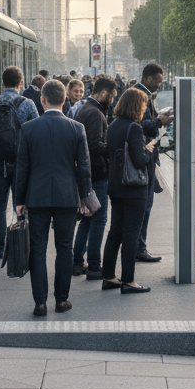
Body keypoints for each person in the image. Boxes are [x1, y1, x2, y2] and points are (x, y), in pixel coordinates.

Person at [14, 80, 91, 316]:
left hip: (36, 196)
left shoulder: (28, 128)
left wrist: (19, 199)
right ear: (65, 99)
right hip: (67, 196)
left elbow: (22, 168)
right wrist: (86, 198)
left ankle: (40, 302)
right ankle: (62, 300)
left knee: (37, 249)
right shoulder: (77, 128)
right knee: (64, 249)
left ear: (42, 100)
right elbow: (84, 167)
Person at [0, 65, 38, 259]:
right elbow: (36, 136)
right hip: (22, 164)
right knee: (21, 204)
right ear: (20, 83)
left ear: (2, 82)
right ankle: (21, 245)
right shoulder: (28, 104)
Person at [101, 87, 155, 293]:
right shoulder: (134, 128)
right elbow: (139, 160)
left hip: (116, 186)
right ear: (135, 105)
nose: (144, 108)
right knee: (131, 234)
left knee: (115, 231)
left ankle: (108, 276)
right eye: (143, 104)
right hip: (133, 188)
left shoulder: (114, 124)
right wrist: (150, 150)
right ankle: (128, 280)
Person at [72, 75, 117, 279]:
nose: (114, 100)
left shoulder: (85, 109)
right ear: (104, 92)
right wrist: (114, 148)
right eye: (113, 95)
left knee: (88, 220)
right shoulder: (95, 113)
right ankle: (94, 266)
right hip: (97, 174)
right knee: (99, 219)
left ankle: (77, 261)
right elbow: (94, 145)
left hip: (87, 173)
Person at [135, 63, 172, 263]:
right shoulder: (142, 94)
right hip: (144, 156)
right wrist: (160, 121)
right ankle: (139, 247)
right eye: (158, 80)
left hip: (146, 155)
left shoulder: (143, 93)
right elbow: (140, 125)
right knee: (145, 205)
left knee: (145, 204)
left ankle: (138, 245)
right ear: (149, 78)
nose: (160, 84)